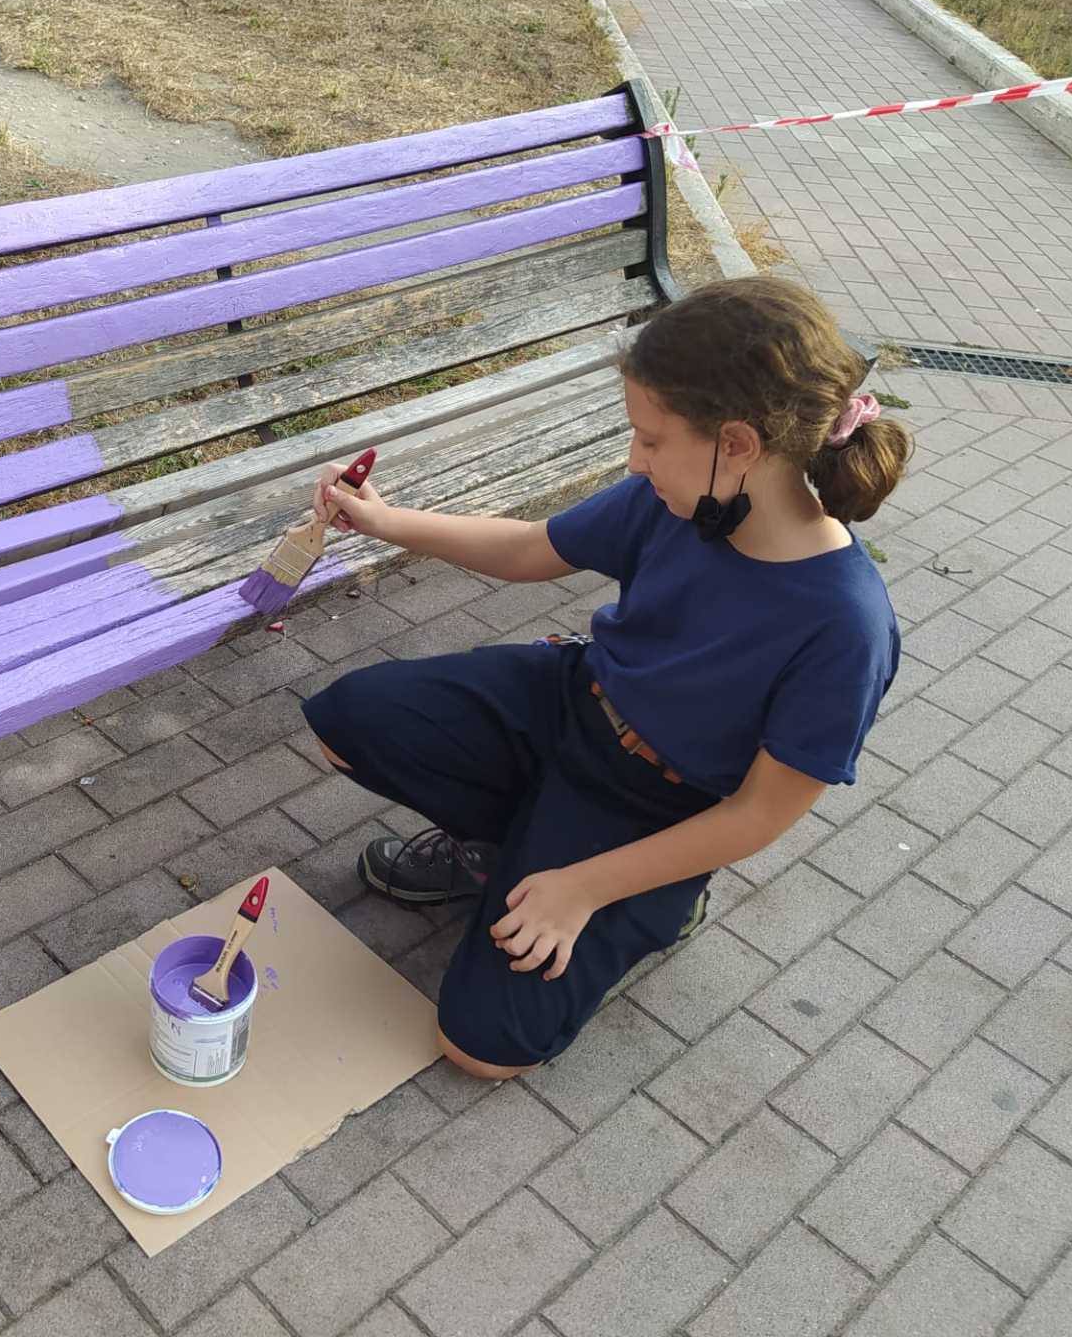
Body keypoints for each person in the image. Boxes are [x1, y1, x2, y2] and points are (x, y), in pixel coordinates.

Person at [299, 275, 911, 1080]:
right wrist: (383, 522)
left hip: (658, 808)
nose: (635, 458)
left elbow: (761, 815)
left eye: (652, 439)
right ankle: (510, 851)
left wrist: (584, 888)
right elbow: (528, 549)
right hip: (572, 702)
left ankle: (654, 899)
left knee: (482, 1047)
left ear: (738, 445)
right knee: (346, 721)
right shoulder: (676, 502)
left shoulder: (845, 627)